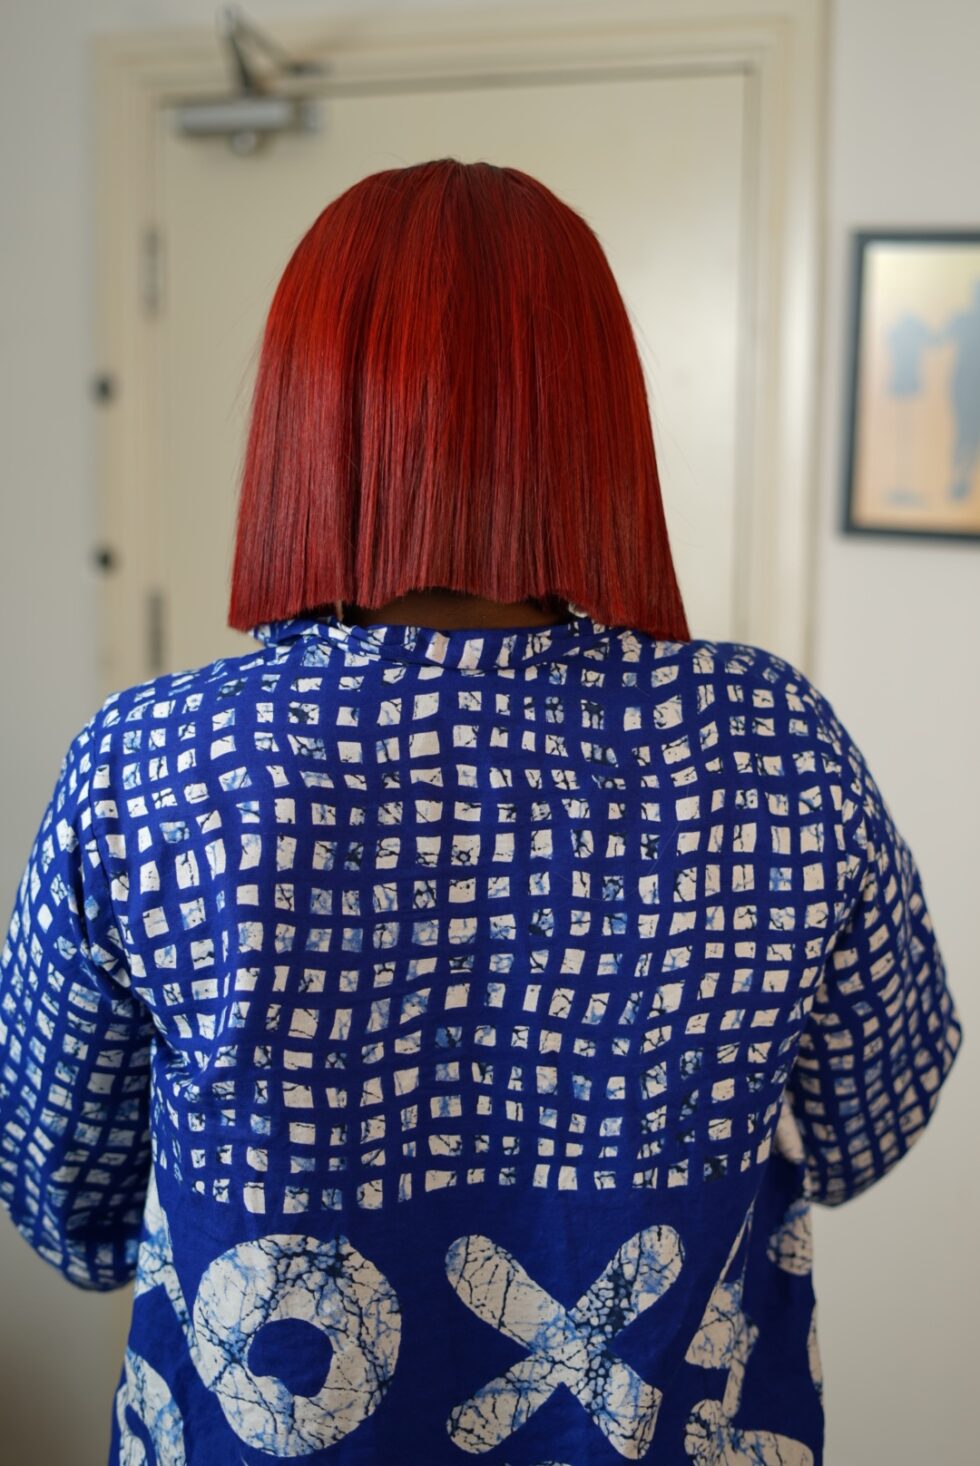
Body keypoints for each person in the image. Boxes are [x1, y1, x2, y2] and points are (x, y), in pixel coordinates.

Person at [0, 159, 963, 1466]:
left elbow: (68, 1207)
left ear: (302, 422)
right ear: (597, 420)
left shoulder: (153, 764)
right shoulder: (771, 739)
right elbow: (872, 1122)